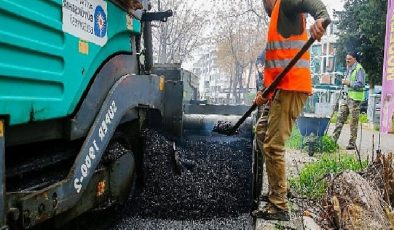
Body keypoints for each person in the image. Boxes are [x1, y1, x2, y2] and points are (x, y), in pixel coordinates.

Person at [252, 0, 330, 221]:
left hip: (292, 86)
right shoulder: (277, 17)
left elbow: (310, 2)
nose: (262, 6)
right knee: (261, 132)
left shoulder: (285, 3)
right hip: (280, 88)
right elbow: (278, 65)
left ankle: (279, 206)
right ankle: (280, 189)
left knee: (273, 145)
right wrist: (264, 94)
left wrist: (321, 19)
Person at [332, 52, 366, 150]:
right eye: (346, 58)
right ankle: (333, 141)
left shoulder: (359, 69)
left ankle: (352, 144)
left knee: (353, 122)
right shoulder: (348, 68)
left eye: (349, 59)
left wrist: (348, 83)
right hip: (345, 97)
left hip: (354, 99)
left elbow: (361, 84)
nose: (347, 60)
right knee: (339, 118)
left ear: (355, 59)